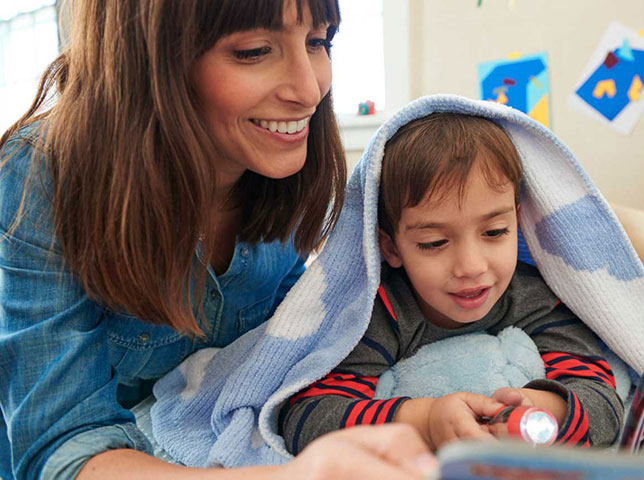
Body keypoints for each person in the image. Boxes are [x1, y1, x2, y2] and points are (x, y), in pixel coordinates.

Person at [0, 0, 435, 479]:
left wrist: (428, 417)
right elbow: (62, 449)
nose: (309, 90)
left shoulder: (279, 170)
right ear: (152, 61)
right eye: (254, 51)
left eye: (318, 42)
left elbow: (293, 351)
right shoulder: (39, 177)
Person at [280, 113, 625, 454]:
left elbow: (604, 402)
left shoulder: (534, 297)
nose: (471, 267)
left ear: (517, 223)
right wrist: (425, 420)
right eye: (433, 243)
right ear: (391, 247)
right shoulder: (379, 312)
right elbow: (307, 418)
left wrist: (536, 409)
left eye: (494, 232)